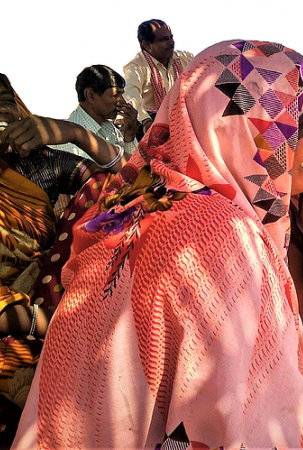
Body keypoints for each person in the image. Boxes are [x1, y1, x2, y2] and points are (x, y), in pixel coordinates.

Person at [12, 40, 303, 450]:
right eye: (296, 126)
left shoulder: (188, 201)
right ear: (240, 131)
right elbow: (246, 428)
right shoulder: (220, 235)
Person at [0, 73, 125, 445]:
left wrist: (74, 134)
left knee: (106, 195)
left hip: (46, 299)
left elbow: (128, 185)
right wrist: (44, 321)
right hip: (28, 319)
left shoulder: (37, 165)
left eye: (5, 101)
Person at [50, 65, 139, 160]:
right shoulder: (67, 143)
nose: (122, 101)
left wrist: (129, 136)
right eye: (115, 95)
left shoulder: (111, 130)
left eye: (121, 94)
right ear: (90, 95)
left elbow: (134, 169)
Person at [123, 19, 194, 134]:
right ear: (146, 44)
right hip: (150, 128)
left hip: (183, 124)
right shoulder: (136, 66)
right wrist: (146, 121)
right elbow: (130, 94)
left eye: (171, 37)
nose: (171, 42)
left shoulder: (183, 59)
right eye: (164, 39)